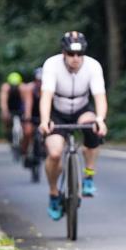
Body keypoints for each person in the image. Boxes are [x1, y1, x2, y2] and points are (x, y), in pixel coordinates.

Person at [38, 31, 108, 220]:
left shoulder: (93, 66)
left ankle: (88, 175)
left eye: (79, 54)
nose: (75, 58)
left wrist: (100, 119)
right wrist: (45, 120)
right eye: (71, 54)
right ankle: (53, 193)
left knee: (93, 127)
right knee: (54, 153)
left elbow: (99, 97)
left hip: (81, 108)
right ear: (63, 53)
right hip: (57, 111)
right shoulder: (52, 65)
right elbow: (46, 96)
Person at [20, 67, 43, 164]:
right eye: (38, 81)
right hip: (31, 113)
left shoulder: (48, 89)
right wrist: (27, 118)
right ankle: (24, 153)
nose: (40, 83)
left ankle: (43, 149)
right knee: (28, 132)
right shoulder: (29, 88)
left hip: (43, 114)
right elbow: (28, 104)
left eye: (42, 81)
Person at [0, 71, 24, 142]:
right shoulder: (5, 87)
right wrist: (4, 111)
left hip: (19, 107)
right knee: (5, 118)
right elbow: (3, 102)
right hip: (10, 107)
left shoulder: (23, 87)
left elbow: (25, 102)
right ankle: (7, 131)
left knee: (25, 122)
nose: (14, 87)